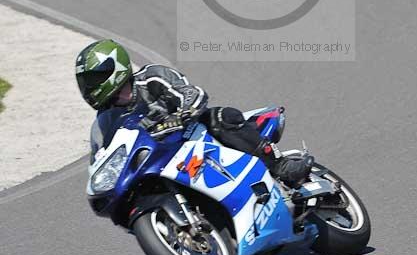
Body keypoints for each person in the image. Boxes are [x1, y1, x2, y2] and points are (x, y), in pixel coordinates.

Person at [76, 39, 313, 189]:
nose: (90, 87)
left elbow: (191, 93)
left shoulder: (151, 78)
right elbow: (105, 152)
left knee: (219, 118)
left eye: (94, 79)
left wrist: (182, 114)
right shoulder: (107, 119)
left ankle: (280, 166)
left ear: (115, 67)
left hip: (191, 133)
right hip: (162, 157)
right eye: (85, 82)